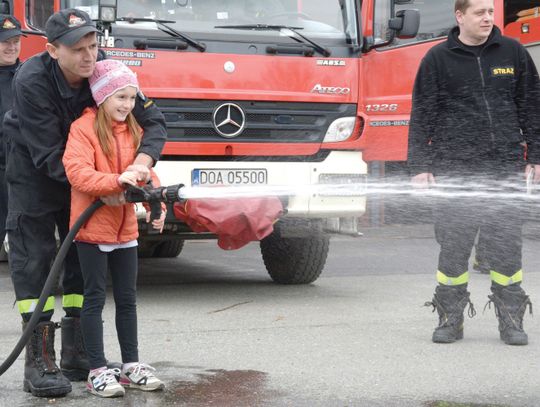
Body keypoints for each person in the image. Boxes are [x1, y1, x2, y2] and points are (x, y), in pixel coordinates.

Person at [3, 8, 166, 397]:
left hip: (92, 171)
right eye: (78, 49)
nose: (89, 57)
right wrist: (102, 185)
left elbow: (154, 122)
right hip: (36, 169)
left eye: (93, 45)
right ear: (52, 50)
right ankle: (39, 360)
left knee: (81, 253)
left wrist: (141, 166)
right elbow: (49, 155)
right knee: (36, 256)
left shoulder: (108, 69)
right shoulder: (31, 80)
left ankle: (79, 354)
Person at [408, 0, 540, 346]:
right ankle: (450, 319)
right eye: (479, 12)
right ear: (459, 16)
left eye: (490, 12)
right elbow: (422, 114)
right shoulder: (437, 59)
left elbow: (531, 106)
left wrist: (536, 155)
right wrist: (420, 166)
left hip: (504, 167)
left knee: (506, 248)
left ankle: (511, 319)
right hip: (455, 168)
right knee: (454, 247)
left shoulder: (512, 52)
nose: (488, 18)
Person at [63, 59, 165, 398]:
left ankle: (130, 365)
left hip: (125, 231)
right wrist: (114, 180)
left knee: (127, 299)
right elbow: (76, 172)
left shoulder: (134, 129)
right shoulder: (84, 128)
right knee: (94, 300)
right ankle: (97, 371)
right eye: (120, 97)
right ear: (102, 96)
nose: (127, 105)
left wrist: (156, 204)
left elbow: (146, 174)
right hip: (91, 229)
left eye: (132, 98)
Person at [0, 15, 23, 256]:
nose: (12, 46)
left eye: (16, 40)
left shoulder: (29, 75)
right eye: (5, 41)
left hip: (20, 172)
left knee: (22, 243)